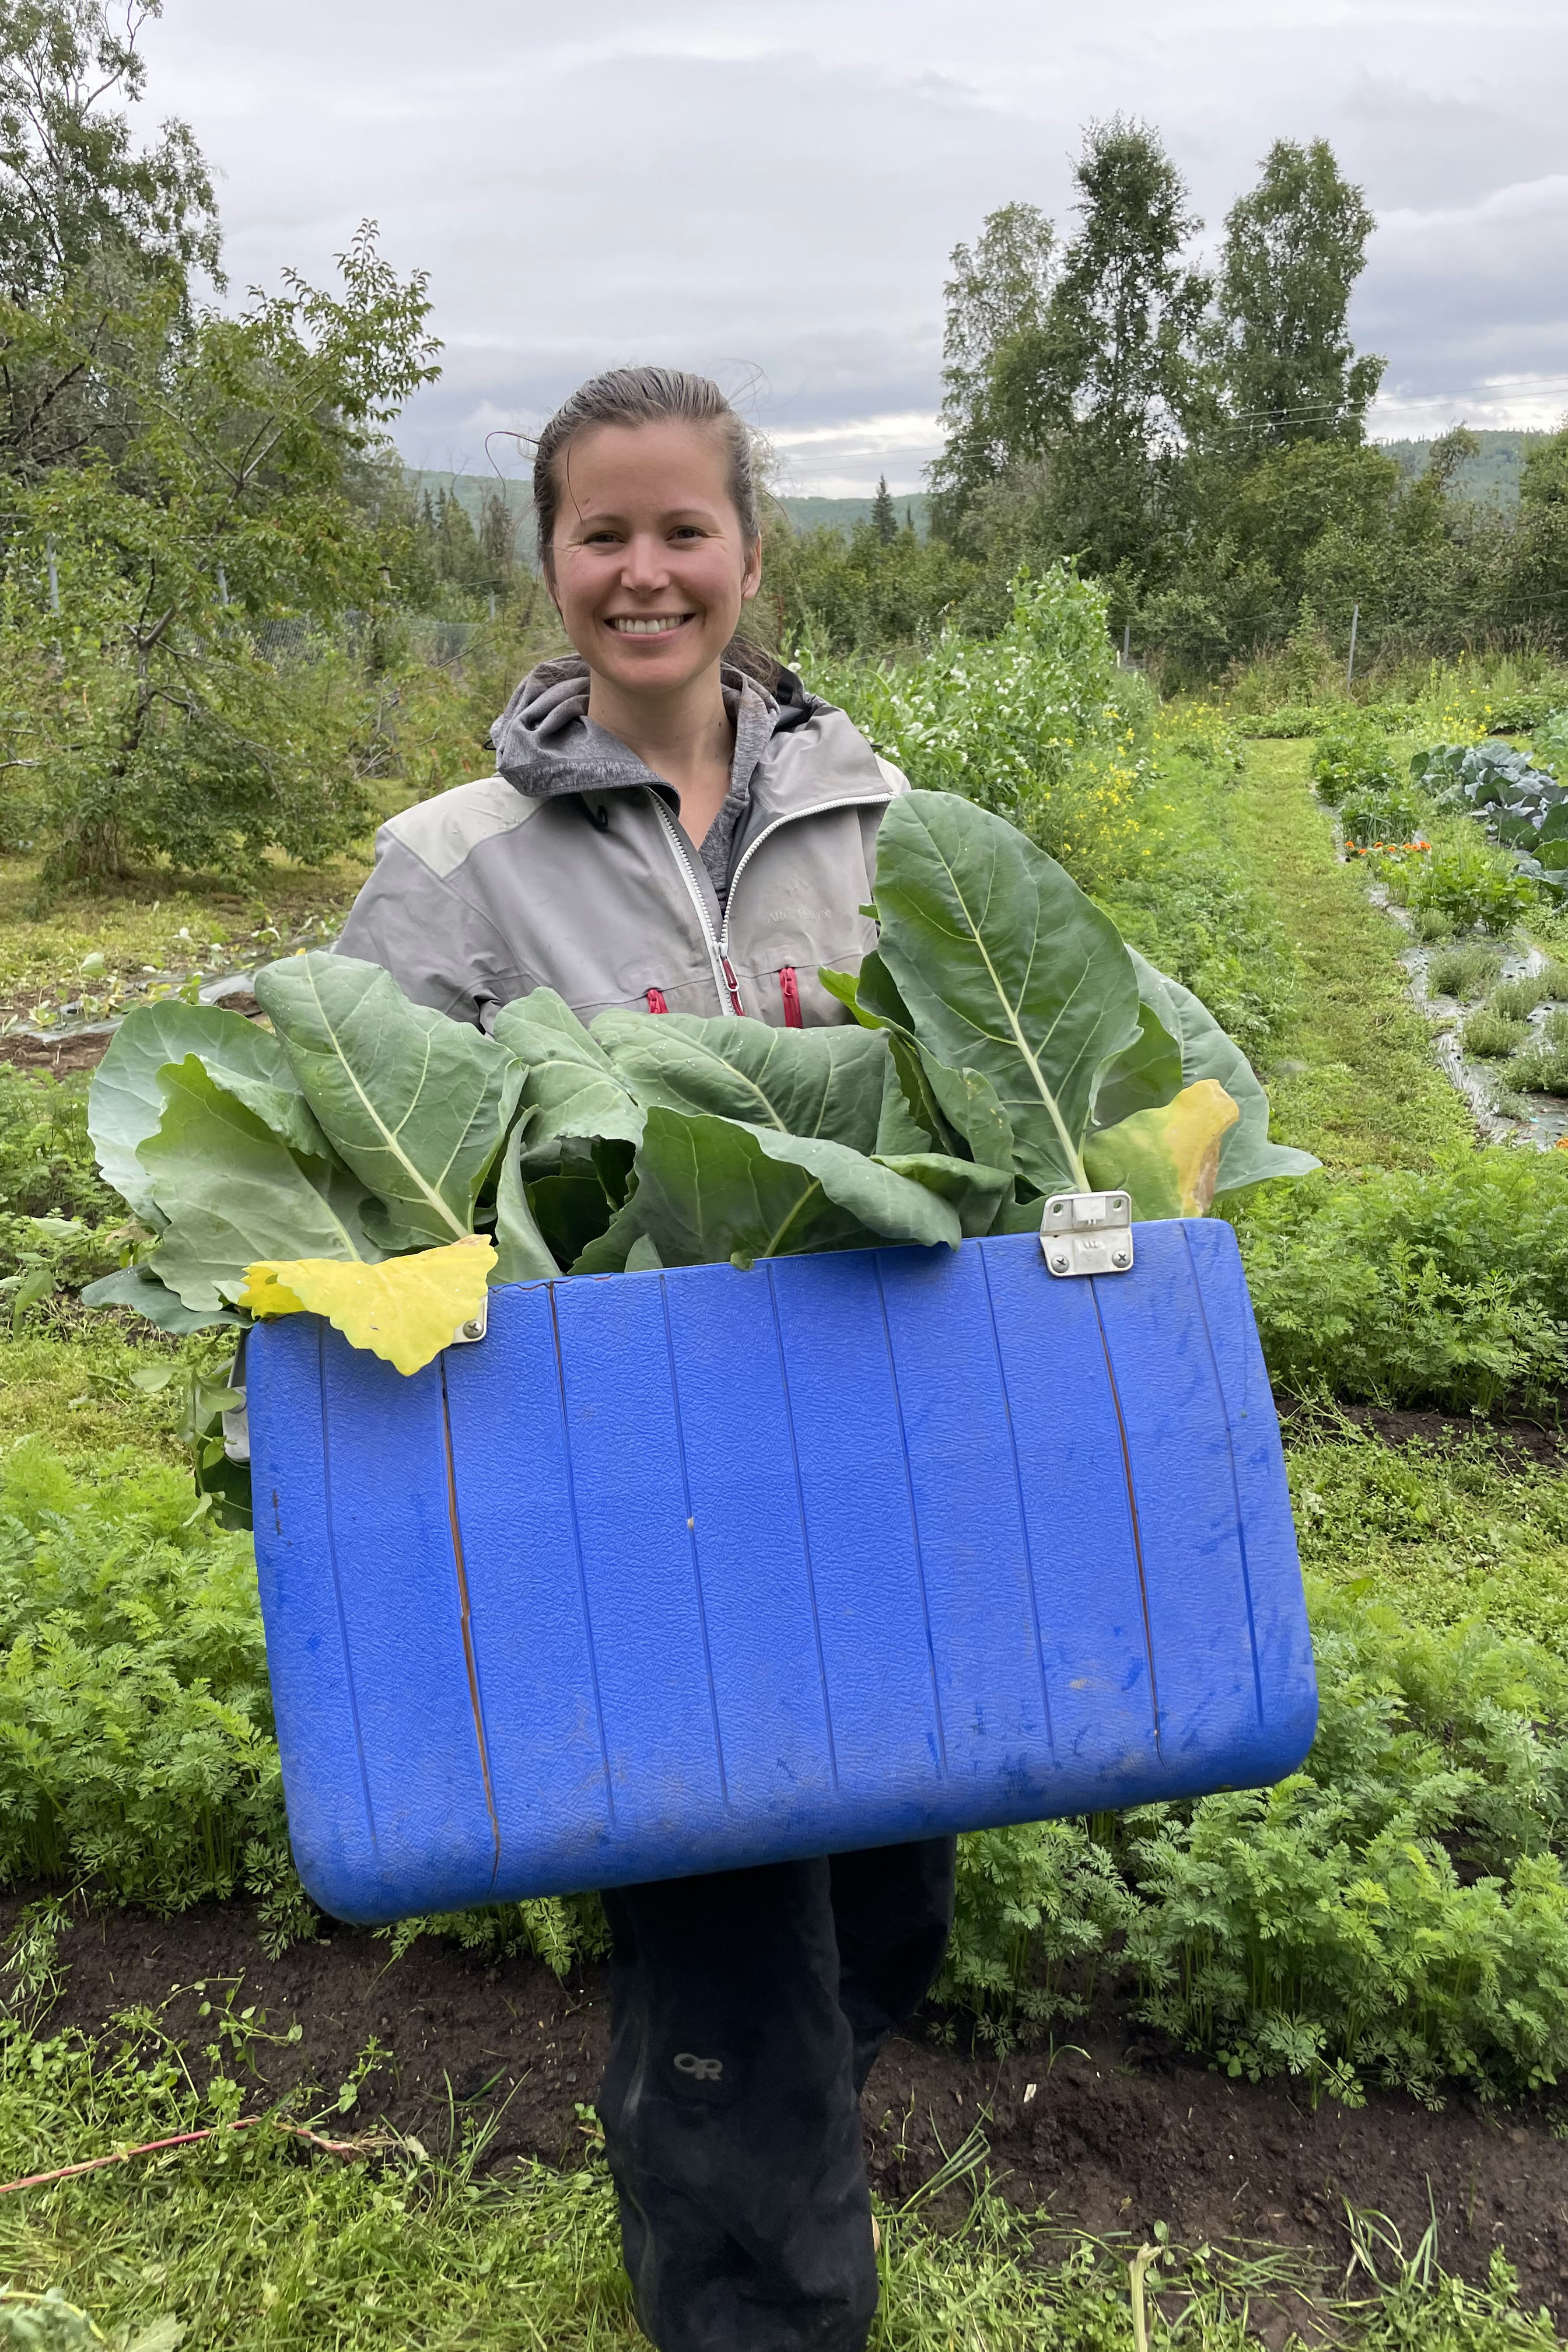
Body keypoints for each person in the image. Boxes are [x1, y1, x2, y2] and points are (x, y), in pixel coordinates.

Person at [336, 365, 956, 2352]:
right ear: (549, 562)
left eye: (683, 528)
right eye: (602, 532)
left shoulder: (886, 826)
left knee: (879, 1923)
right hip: (632, 1511)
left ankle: (733, 2135)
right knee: (727, 1966)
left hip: (870, 1476)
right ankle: (747, 2266)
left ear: (751, 555)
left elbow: (988, 1136)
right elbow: (357, 1176)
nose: (645, 570)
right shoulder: (455, 866)